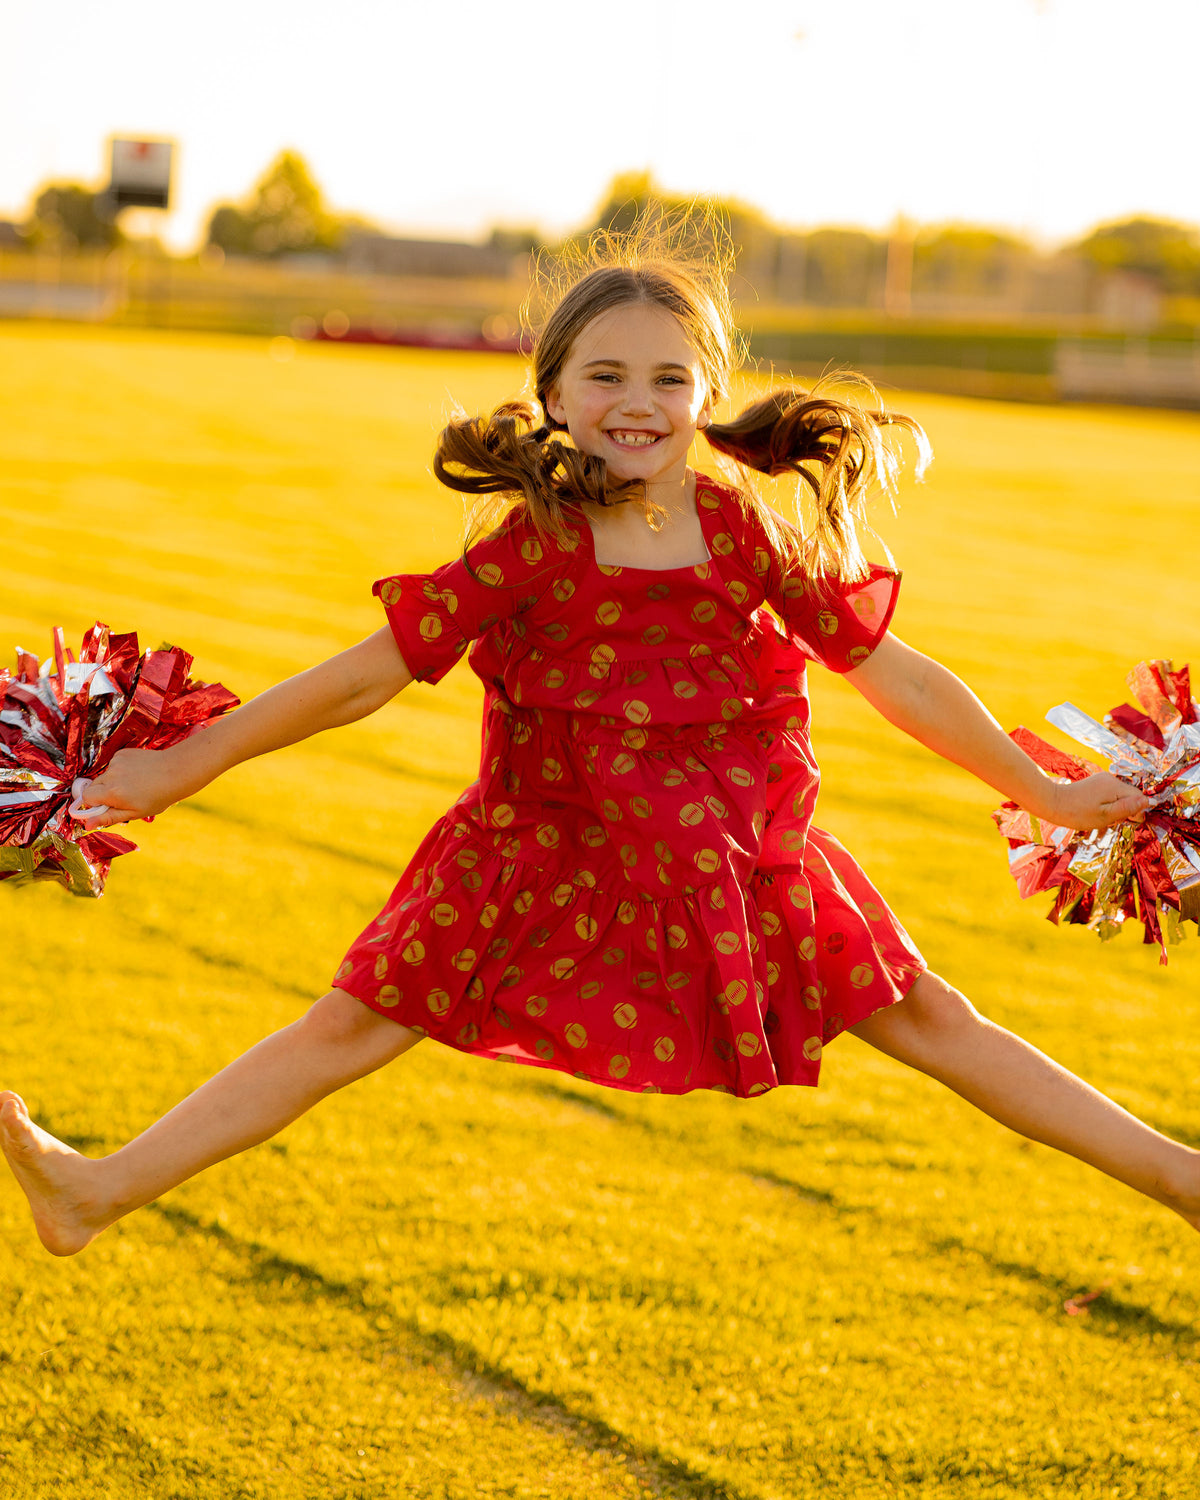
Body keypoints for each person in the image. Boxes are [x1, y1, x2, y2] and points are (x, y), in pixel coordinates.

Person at [3, 228, 1197, 1259]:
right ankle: (94, 1188)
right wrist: (170, 768)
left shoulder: (742, 529)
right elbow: (359, 680)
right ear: (556, 392)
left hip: (739, 863)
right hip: (538, 859)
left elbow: (891, 671)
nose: (640, 399)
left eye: (670, 377)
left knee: (937, 1020)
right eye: (608, 374)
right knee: (345, 1029)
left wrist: (1042, 784)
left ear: (707, 392)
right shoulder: (533, 543)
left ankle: (1183, 1184)